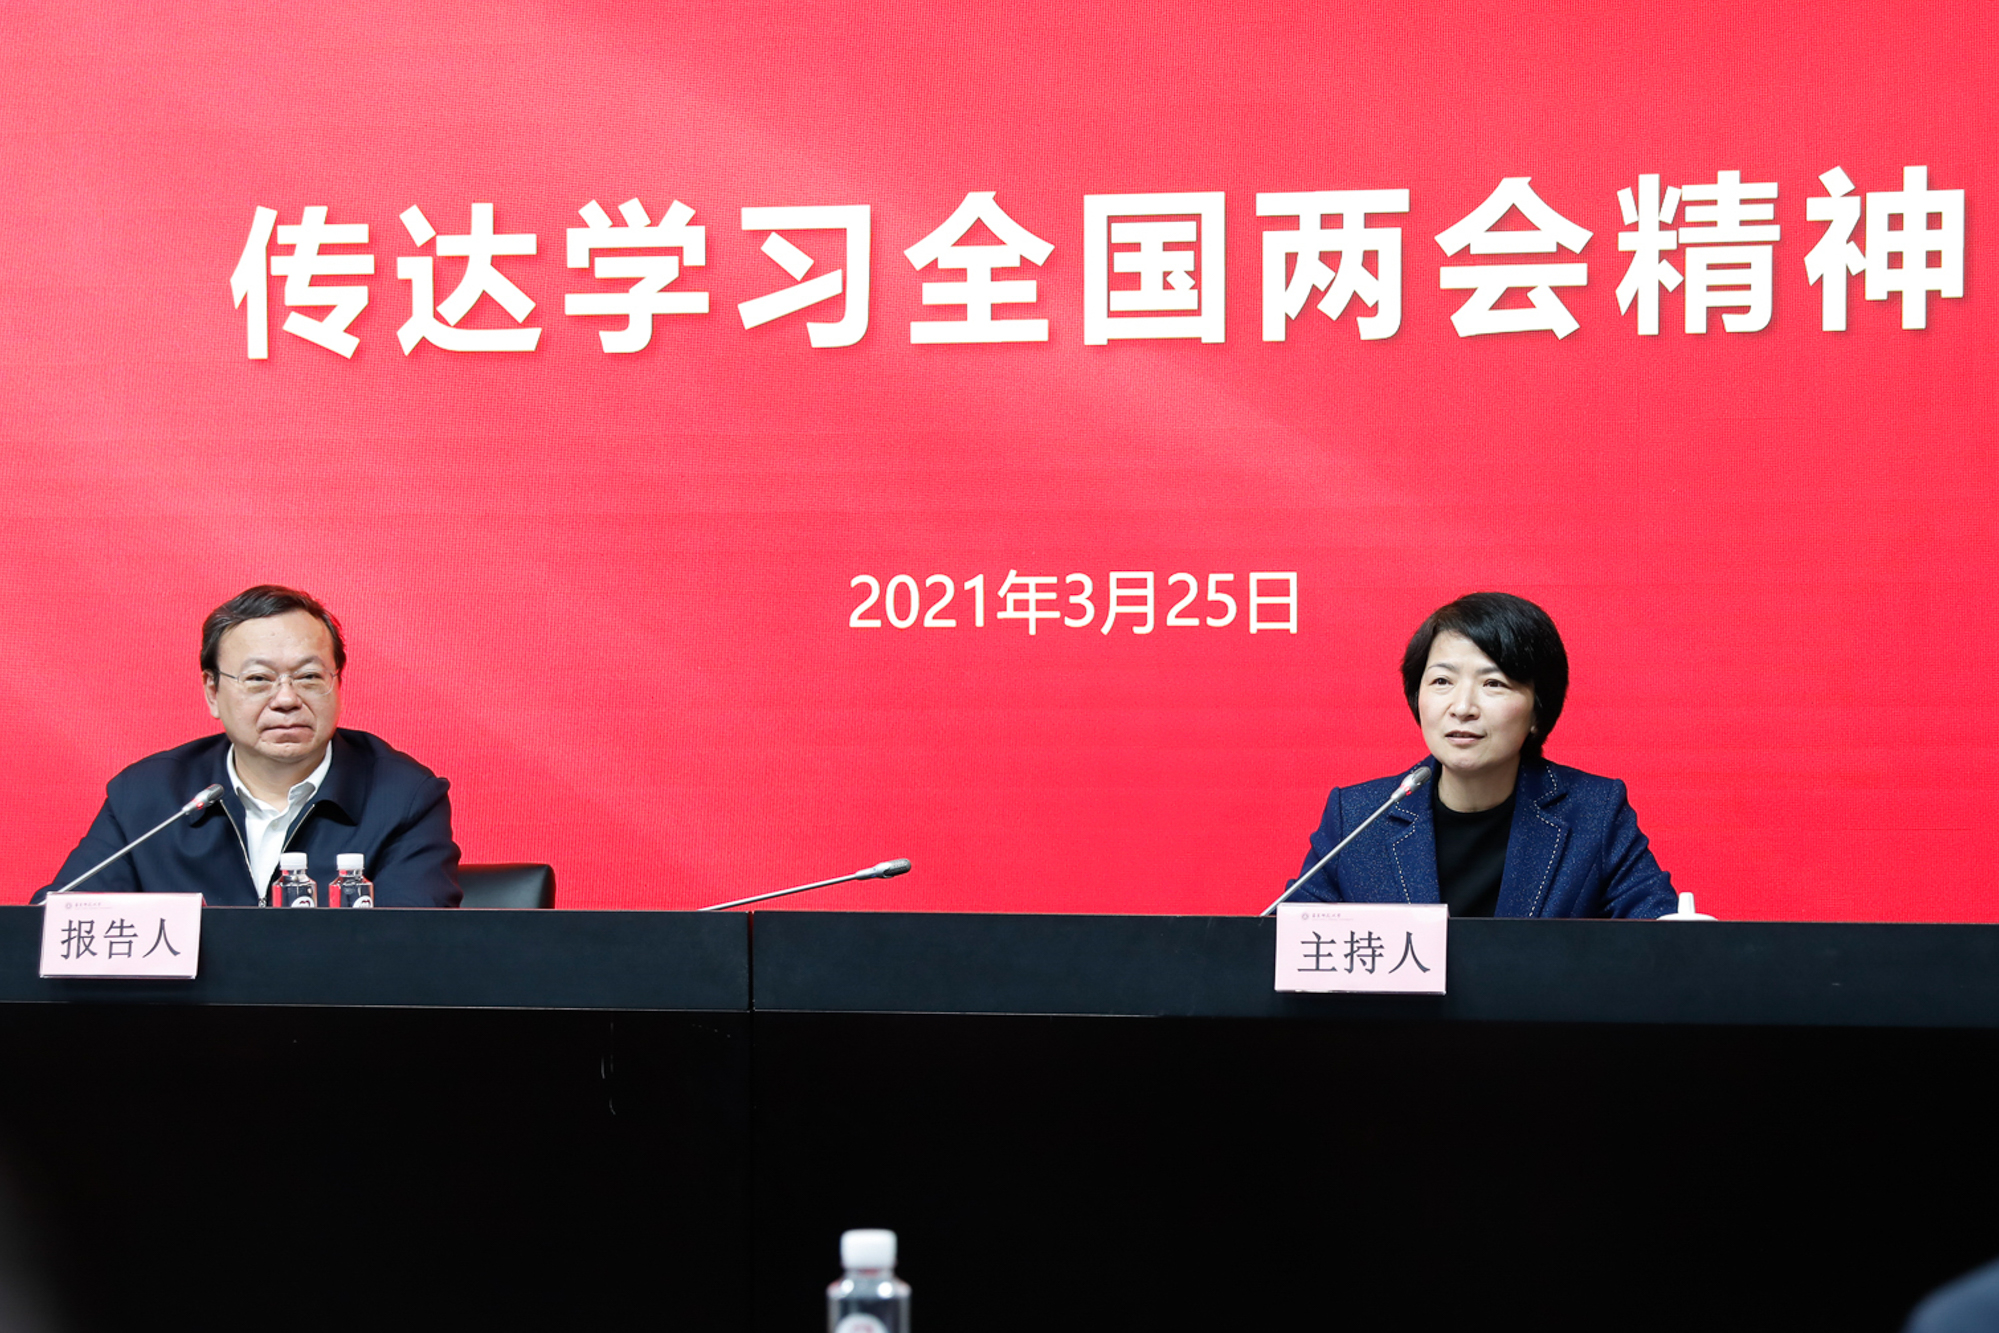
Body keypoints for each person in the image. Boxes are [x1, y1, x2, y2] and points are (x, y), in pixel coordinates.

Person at [36, 586, 461, 907]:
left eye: (309, 677)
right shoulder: (149, 796)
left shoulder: (403, 797)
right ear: (212, 692)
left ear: (337, 684)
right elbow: (59, 927)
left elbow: (413, 950)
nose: (286, 699)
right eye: (258, 679)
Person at [1288, 592, 1675, 918]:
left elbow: (1661, 939)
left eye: (1493, 683)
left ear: (1537, 711)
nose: (1462, 707)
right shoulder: (1358, 817)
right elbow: (1288, 946)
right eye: (1442, 681)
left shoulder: (1594, 812)